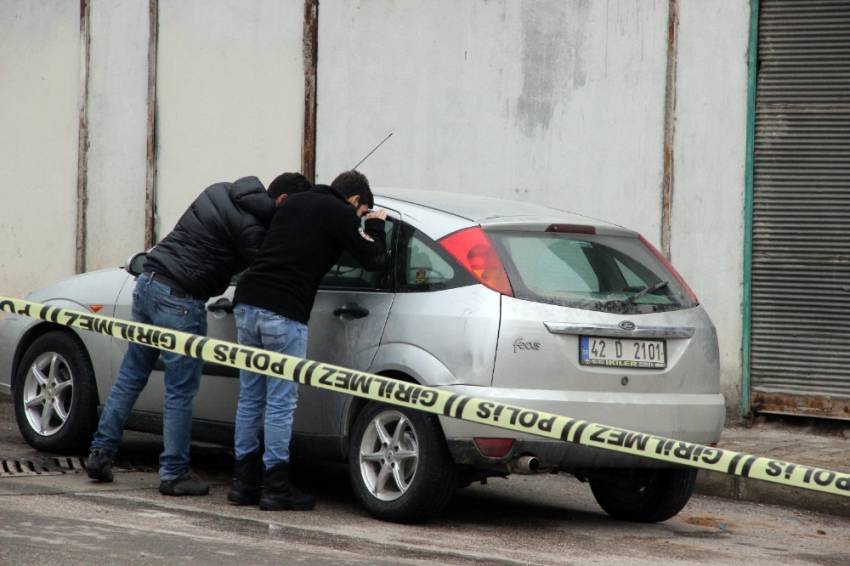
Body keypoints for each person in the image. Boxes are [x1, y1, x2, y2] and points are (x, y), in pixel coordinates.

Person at [85, 173, 311, 496]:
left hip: (148, 281)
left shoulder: (219, 190)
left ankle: (101, 452)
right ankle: (174, 472)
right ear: (283, 202)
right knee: (180, 389)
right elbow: (265, 267)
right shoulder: (252, 229)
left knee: (132, 373)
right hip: (180, 300)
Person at [229, 170, 387, 511]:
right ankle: (275, 486)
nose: (357, 218)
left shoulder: (295, 201)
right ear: (356, 200)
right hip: (283, 310)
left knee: (251, 397)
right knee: (281, 402)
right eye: (361, 211)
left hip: (247, 302)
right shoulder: (342, 213)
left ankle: (243, 485)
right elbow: (373, 259)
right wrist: (374, 225)